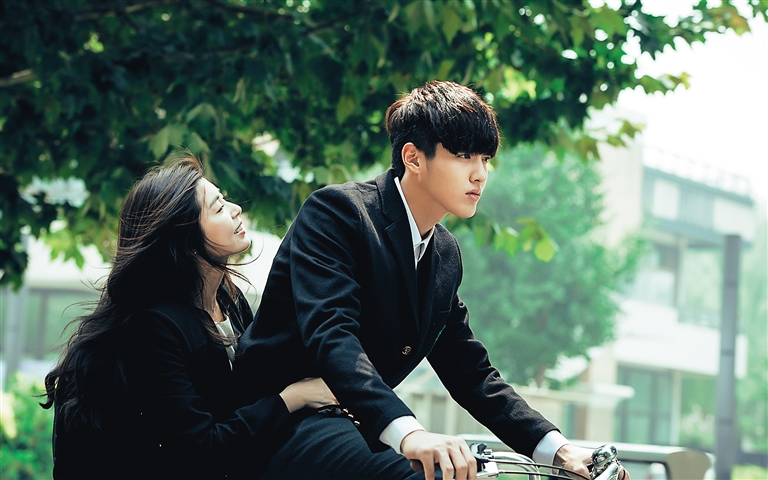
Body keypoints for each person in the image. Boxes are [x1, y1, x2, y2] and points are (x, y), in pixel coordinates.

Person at [236, 80, 630, 480]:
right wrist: (411, 435)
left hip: (354, 427)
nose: (479, 174)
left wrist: (558, 450)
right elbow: (331, 336)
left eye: (485, 159)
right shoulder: (338, 213)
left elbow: (470, 371)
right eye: (463, 156)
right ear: (413, 158)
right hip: (277, 425)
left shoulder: (444, 253)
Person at [42, 156, 338, 479]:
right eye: (218, 208)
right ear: (184, 237)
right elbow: (201, 450)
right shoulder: (153, 328)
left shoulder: (230, 302)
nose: (236, 209)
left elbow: (248, 393)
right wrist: (294, 398)